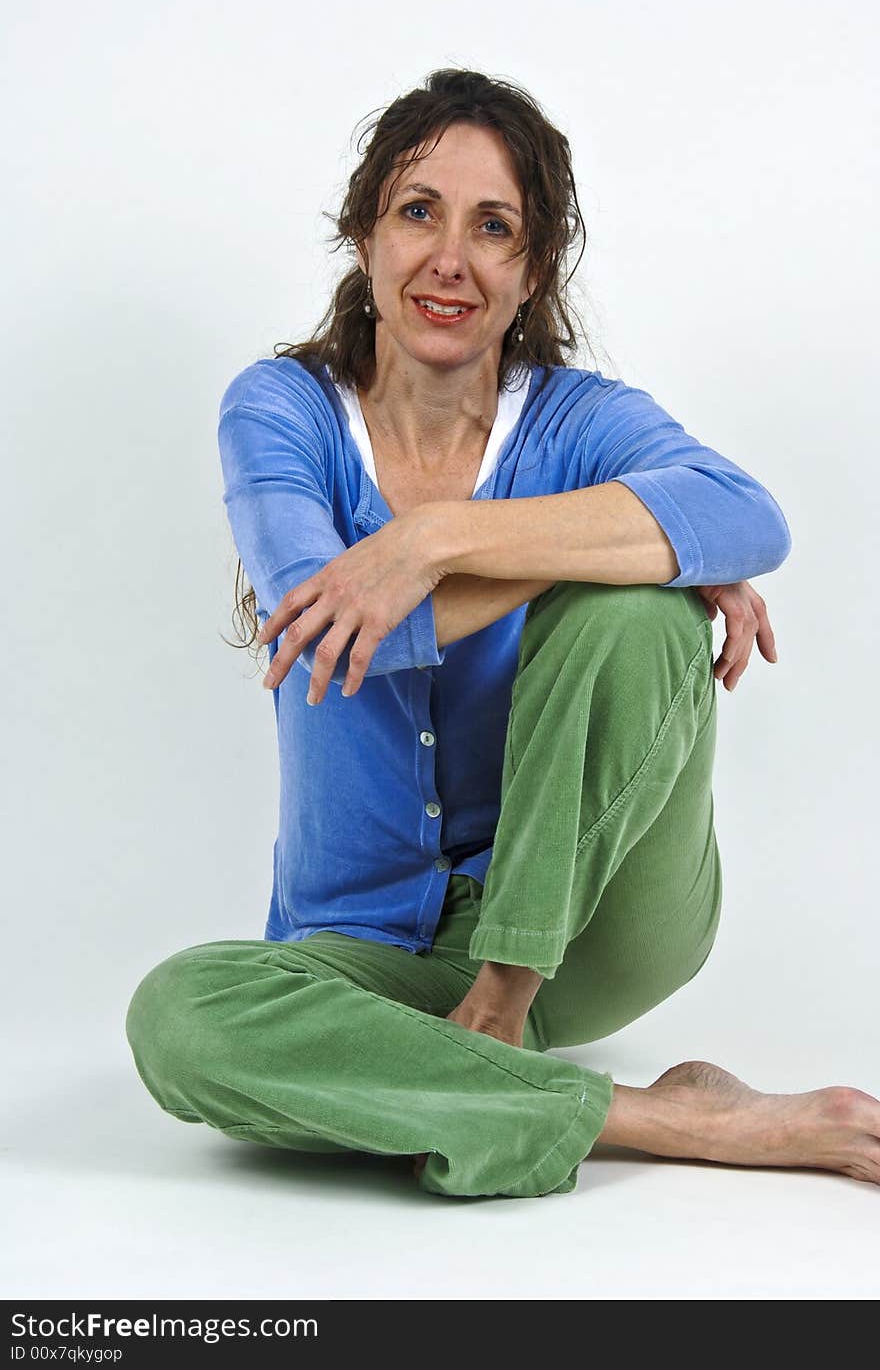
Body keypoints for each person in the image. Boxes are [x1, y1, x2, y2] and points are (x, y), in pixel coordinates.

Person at [125, 69, 880, 1198]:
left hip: (591, 929)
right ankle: (670, 1119)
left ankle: (505, 1001)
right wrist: (622, 539)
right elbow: (334, 629)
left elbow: (748, 517)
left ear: (532, 271)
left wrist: (430, 544)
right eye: (418, 210)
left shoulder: (579, 420)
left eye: (496, 228)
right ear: (364, 232)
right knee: (178, 1017)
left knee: (631, 612)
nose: (450, 260)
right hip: (363, 949)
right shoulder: (279, 408)